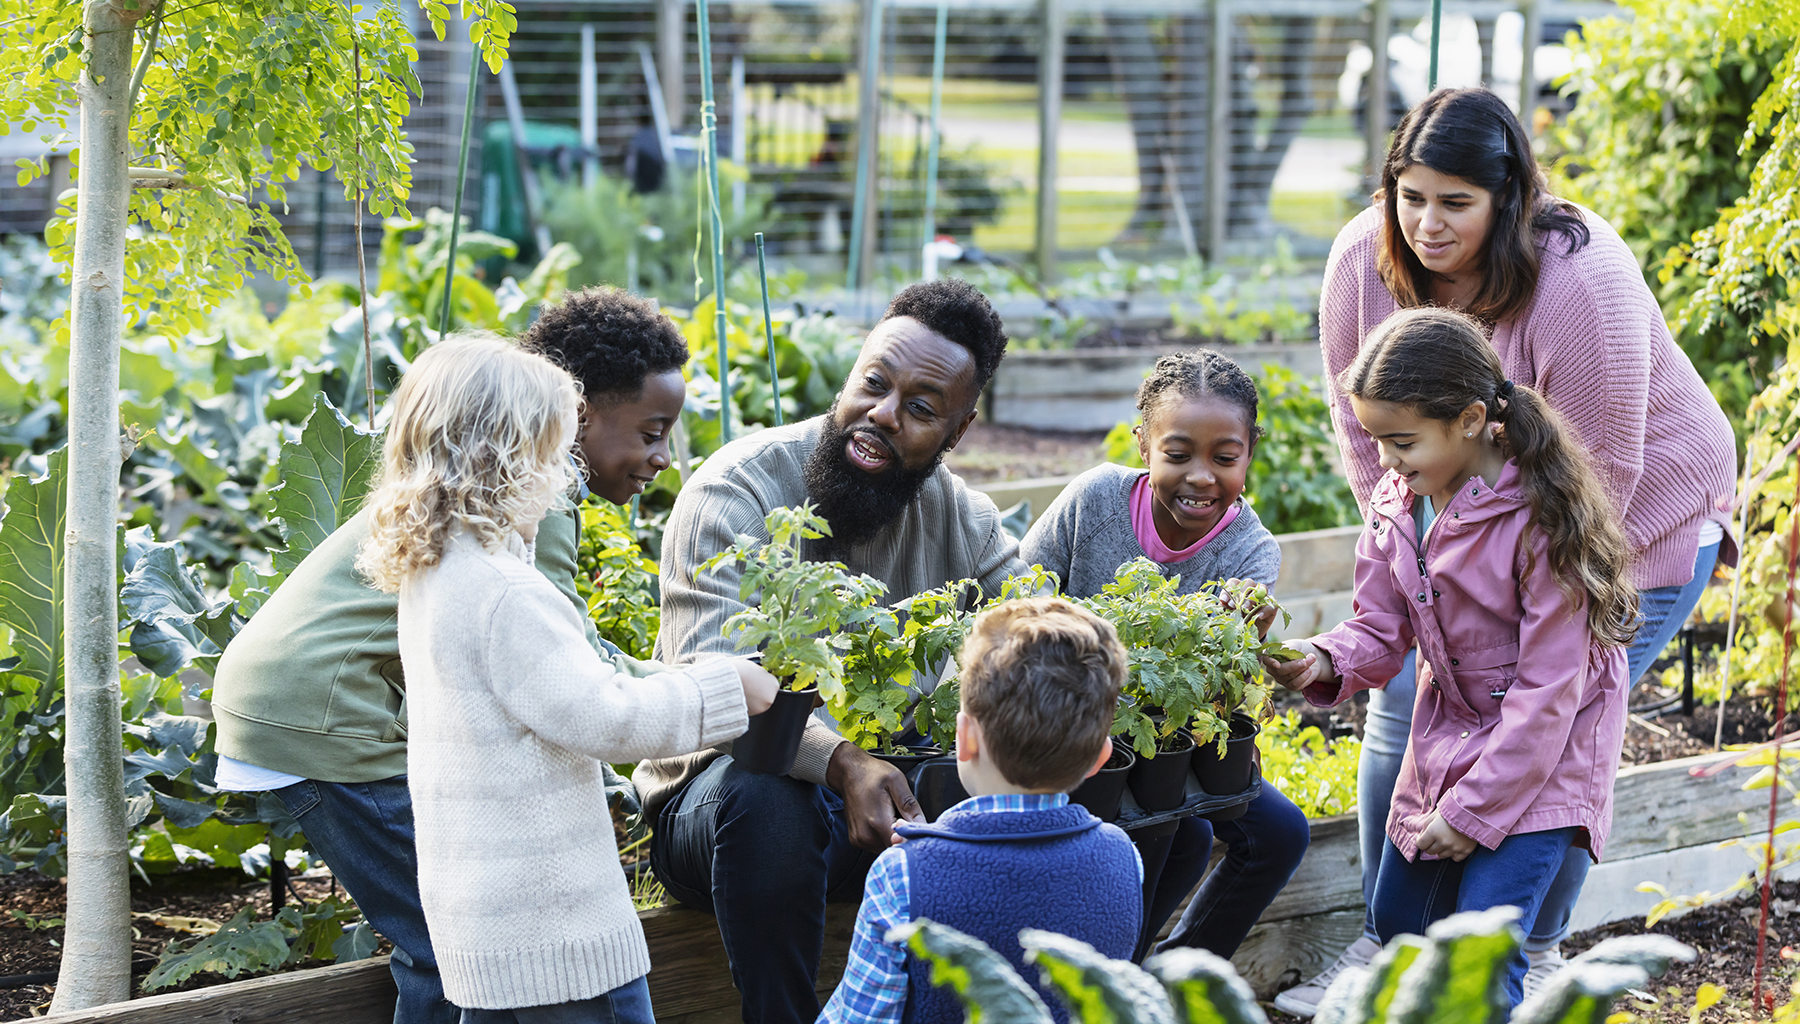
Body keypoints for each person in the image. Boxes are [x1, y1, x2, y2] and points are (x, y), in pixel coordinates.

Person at [1287, 86, 1739, 1012]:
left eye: (1456, 202)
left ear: (1511, 199)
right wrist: (1413, 561)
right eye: (1410, 197)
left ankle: (1527, 954)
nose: (1427, 224)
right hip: (1469, 517)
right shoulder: (1361, 263)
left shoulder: (1579, 282)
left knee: (1558, 724)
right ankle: (1386, 947)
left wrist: (1496, 588)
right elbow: (1366, 440)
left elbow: (1599, 482)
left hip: (1629, 519)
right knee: (1404, 699)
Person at [210, 288, 694, 1024]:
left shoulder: (466, 492)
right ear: (579, 417)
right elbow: (574, 668)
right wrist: (695, 691)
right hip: (323, 713)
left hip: (295, 703)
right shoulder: (531, 501)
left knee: (455, 944)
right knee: (461, 939)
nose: (663, 458)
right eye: (652, 432)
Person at [356, 334, 779, 1024]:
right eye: (555, 456)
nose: (563, 477)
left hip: (488, 924)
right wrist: (728, 686)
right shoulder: (505, 592)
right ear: (510, 460)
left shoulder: (438, 573)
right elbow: (604, 717)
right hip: (557, 931)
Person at [638, 279, 1028, 1024]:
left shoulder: (965, 523)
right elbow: (715, 697)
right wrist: (843, 762)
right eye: (873, 384)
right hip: (714, 810)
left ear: (957, 431)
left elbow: (1034, 641)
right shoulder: (737, 492)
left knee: (986, 784)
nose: (881, 415)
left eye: (919, 409)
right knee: (767, 793)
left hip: (883, 806)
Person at [1268, 306, 1636, 1007]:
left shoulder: (1540, 519)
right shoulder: (1398, 505)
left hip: (1548, 755)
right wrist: (1320, 660)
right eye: (1376, 439)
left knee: (1481, 949)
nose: (1385, 460)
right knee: (1404, 927)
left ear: (1470, 419)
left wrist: (1471, 813)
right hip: (1450, 736)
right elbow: (1379, 628)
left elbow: (1549, 693)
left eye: (1400, 440)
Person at [1021, 349, 1309, 962]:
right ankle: (1110, 974)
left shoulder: (1250, 550)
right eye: (1177, 455)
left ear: (1250, 452)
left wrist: (1242, 644)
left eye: (1224, 458)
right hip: (1067, 727)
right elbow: (1016, 598)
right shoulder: (1094, 502)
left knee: (1280, 835)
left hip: (1174, 737)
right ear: (1143, 445)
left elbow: (1224, 679)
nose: (1201, 476)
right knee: (1172, 829)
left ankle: (1171, 972)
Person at [819, 597, 1142, 1024]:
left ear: (964, 737)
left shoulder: (900, 876)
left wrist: (919, 864)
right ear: (1100, 758)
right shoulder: (1125, 857)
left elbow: (860, 1018)